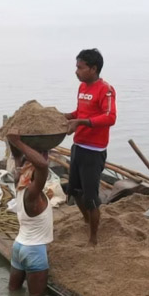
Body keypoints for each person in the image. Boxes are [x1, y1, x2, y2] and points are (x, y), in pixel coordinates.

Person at [64, 48, 117, 245]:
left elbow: (110, 117)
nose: (76, 71)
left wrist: (81, 123)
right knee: (74, 190)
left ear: (93, 69)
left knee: (90, 198)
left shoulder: (106, 89)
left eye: (80, 67)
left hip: (94, 151)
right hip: (78, 146)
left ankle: (94, 239)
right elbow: (80, 111)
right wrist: (67, 116)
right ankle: (87, 220)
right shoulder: (83, 88)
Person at [6, 133, 52, 296]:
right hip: (34, 250)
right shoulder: (32, 194)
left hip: (19, 247)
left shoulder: (19, 184)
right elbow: (43, 166)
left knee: (13, 292)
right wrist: (18, 141)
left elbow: (17, 156)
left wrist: (12, 141)